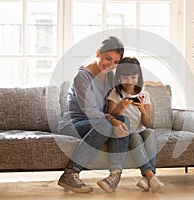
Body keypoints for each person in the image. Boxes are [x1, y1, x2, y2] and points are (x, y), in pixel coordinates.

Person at [57, 36, 130, 193]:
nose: (111, 65)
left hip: (98, 124)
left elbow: (117, 99)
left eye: (116, 62)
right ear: (98, 54)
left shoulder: (109, 76)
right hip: (73, 125)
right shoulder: (82, 77)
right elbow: (90, 111)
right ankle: (70, 173)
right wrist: (112, 120)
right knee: (105, 123)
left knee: (123, 119)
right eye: (107, 58)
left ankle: (114, 176)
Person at [107, 57, 164, 192]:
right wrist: (120, 106)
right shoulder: (115, 93)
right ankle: (150, 175)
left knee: (151, 133)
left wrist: (142, 109)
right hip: (127, 132)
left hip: (141, 129)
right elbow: (110, 115)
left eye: (133, 77)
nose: (129, 81)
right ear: (119, 77)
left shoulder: (144, 94)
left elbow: (146, 122)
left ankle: (147, 178)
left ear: (139, 77)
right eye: (125, 77)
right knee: (135, 137)